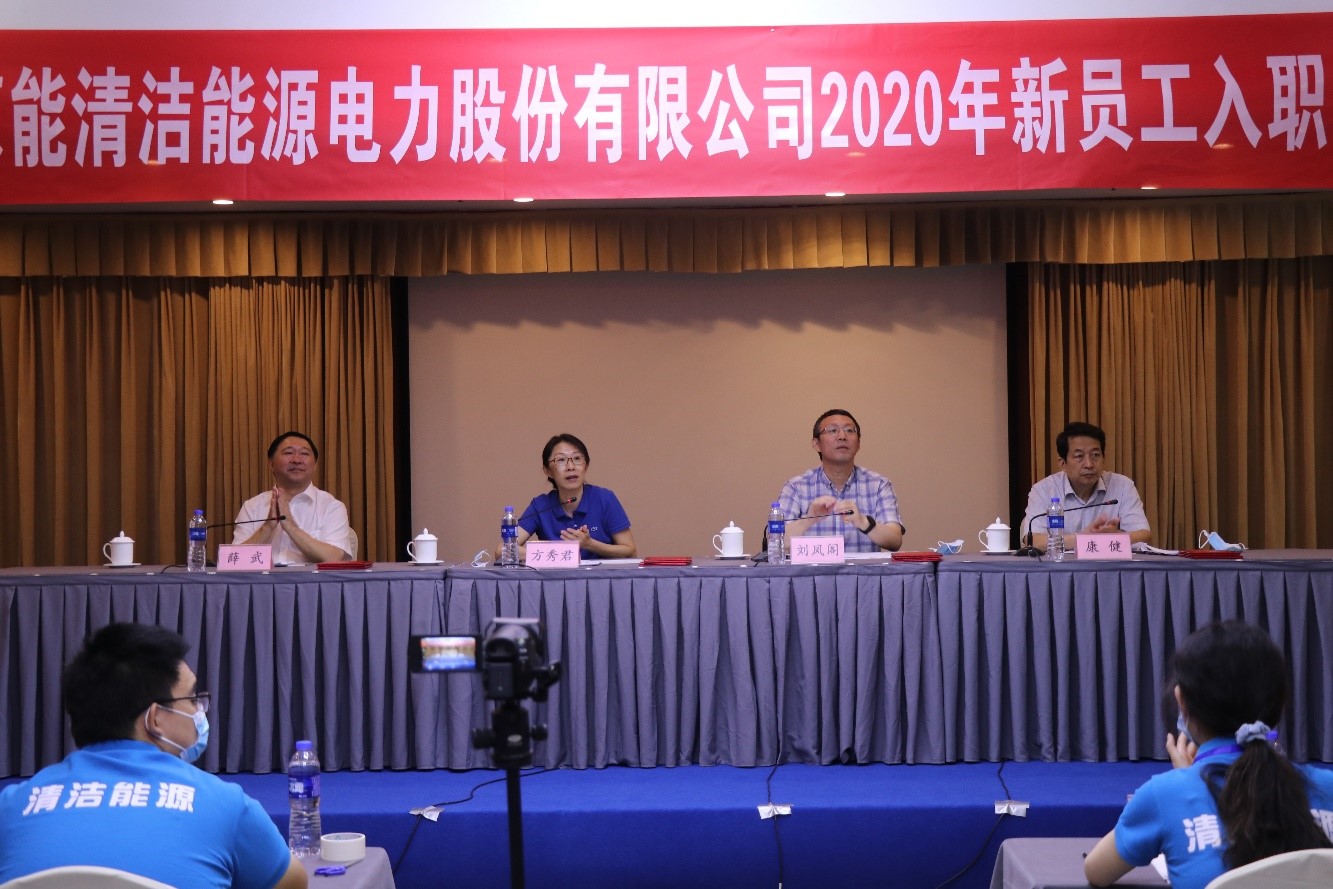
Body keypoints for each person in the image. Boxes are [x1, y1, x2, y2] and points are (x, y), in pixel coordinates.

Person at [0, 622, 307, 889]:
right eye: (193, 699)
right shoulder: (226, 806)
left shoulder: (10, 807)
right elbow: (292, 883)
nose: (199, 711)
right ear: (155, 718)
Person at [1084, 621, 1333, 889]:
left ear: (1182, 702)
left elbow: (1096, 871)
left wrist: (1186, 781)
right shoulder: (1327, 786)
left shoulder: (1164, 795)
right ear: (1279, 702)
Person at [777, 409, 904, 553]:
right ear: (816, 444)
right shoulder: (796, 487)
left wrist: (863, 522)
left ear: (858, 443)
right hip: (813, 568)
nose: (842, 436)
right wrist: (809, 520)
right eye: (832, 431)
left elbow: (895, 540)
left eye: (849, 430)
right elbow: (775, 541)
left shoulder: (879, 485)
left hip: (863, 569)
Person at [500, 433, 637, 561]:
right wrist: (557, 553)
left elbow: (630, 551)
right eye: (561, 460)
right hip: (557, 579)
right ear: (547, 471)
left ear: (586, 465)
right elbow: (502, 550)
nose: (570, 467)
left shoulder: (604, 499)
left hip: (601, 578)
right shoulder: (541, 506)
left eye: (577, 459)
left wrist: (590, 544)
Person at [1024, 421, 1151, 548]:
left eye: (1095, 455)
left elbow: (1144, 534)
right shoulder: (1043, 490)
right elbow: (1032, 540)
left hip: (1108, 561)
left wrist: (1117, 536)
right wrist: (1082, 539)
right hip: (1062, 561)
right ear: (1063, 464)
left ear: (1103, 458)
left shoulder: (1123, 486)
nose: (1089, 464)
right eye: (1079, 456)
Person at [234, 431, 352, 564]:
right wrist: (267, 527)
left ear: (315, 465)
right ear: (271, 464)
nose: (296, 460)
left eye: (304, 454)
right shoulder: (252, 506)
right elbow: (234, 559)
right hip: (262, 578)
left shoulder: (331, 506)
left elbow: (333, 558)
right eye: (288, 453)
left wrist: (291, 527)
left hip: (309, 578)